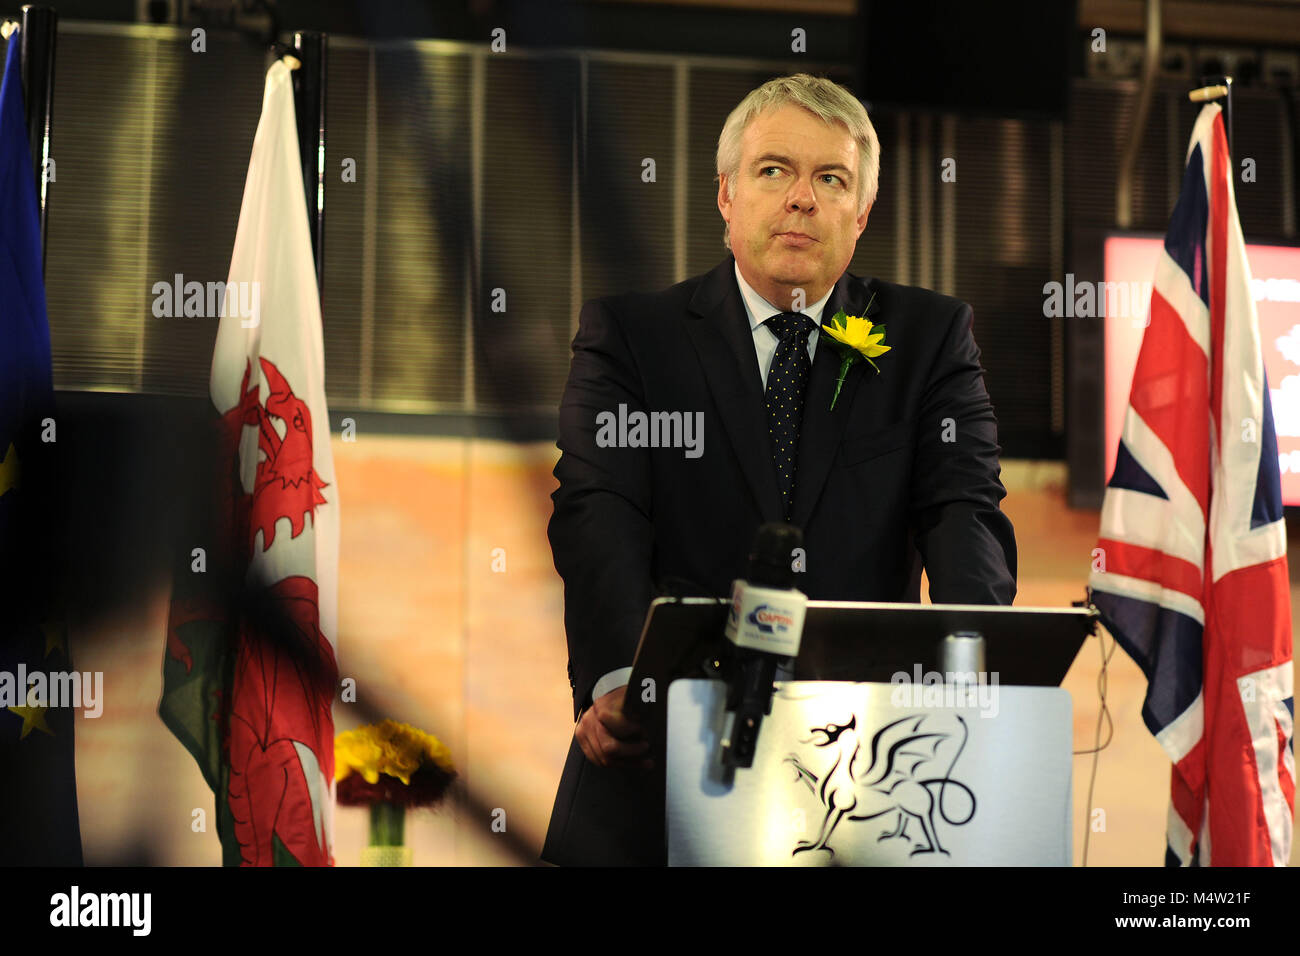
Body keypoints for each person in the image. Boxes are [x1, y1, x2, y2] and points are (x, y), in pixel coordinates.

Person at [542, 73, 1017, 866]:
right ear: (726, 196)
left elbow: (963, 509)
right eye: (774, 171)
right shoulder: (633, 338)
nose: (801, 198)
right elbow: (601, 511)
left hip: (865, 780)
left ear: (860, 215)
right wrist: (622, 677)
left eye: (830, 179)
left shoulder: (929, 340)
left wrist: (976, 662)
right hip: (657, 758)